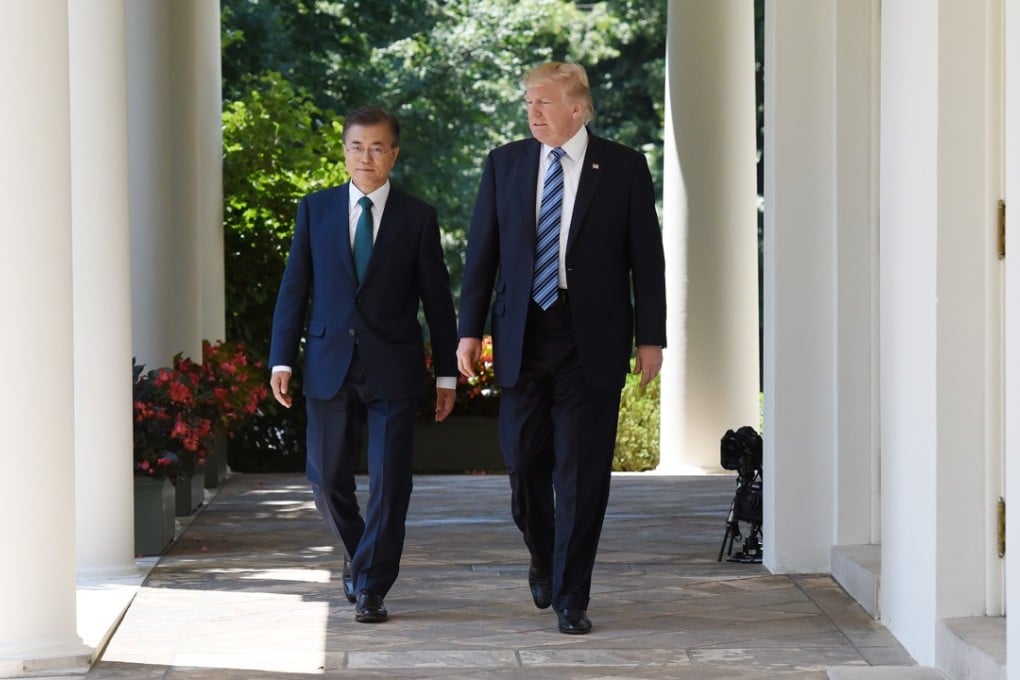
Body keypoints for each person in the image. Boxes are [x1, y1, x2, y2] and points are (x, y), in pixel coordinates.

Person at [457, 62, 666, 635]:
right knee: (523, 462)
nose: (532, 111)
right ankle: (544, 554)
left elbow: (646, 259)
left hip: (591, 337)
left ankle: (572, 596)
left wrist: (651, 337)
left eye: (543, 102)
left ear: (577, 108)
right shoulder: (504, 164)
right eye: (528, 102)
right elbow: (482, 253)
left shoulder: (623, 166)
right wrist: (468, 330)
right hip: (523, 333)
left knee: (581, 472)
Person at [269, 106, 458, 624]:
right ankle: (360, 554)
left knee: (391, 483)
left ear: (393, 154)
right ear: (344, 151)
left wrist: (446, 373)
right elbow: (294, 287)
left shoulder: (417, 217)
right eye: (357, 147)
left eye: (377, 148)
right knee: (325, 480)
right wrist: (281, 358)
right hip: (328, 363)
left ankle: (372, 586)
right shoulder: (315, 210)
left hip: (393, 369)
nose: (366, 158)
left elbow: (438, 302)